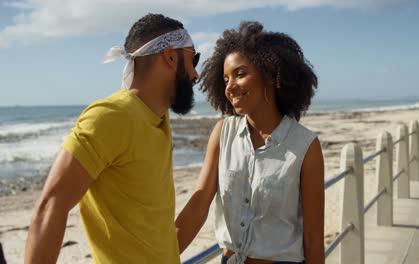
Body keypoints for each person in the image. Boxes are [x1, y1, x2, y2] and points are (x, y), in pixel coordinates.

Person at [25, 13, 200, 264]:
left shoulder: (157, 118)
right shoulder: (111, 116)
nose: (196, 74)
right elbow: (51, 206)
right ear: (170, 56)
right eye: (193, 59)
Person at [176, 21, 324, 264]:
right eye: (225, 79)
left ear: (268, 73)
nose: (230, 87)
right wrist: (158, 255)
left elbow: (313, 238)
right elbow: (198, 205)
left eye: (240, 74)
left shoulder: (305, 146)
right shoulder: (223, 133)